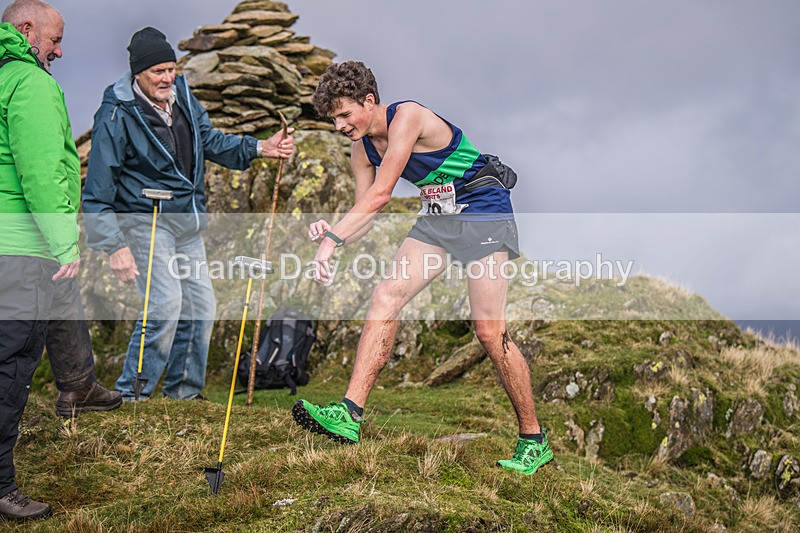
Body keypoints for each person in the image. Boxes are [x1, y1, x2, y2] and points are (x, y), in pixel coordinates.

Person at [292, 61, 553, 475]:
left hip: (482, 208)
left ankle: (533, 440)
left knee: (489, 331)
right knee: (386, 296)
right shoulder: (361, 150)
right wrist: (334, 230)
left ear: (369, 100)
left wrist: (332, 241)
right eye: (333, 119)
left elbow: (382, 194)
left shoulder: (408, 116)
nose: (339, 125)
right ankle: (349, 414)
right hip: (438, 216)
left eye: (344, 114)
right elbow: (366, 213)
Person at [83, 27, 294, 402]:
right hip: (145, 220)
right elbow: (98, 186)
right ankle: (133, 394)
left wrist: (260, 147)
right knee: (164, 304)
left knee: (201, 307)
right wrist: (113, 245)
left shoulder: (182, 96)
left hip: (186, 220)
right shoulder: (116, 114)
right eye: (158, 71)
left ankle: (183, 391)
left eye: (171, 69)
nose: (167, 78)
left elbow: (208, 139)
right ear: (138, 73)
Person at [0, 0, 108, 520]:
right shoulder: (30, 83)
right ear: (27, 30)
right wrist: (65, 244)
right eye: (55, 39)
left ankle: (79, 384)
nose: (60, 51)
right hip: (23, 248)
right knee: (11, 367)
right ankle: (1, 486)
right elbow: (42, 172)